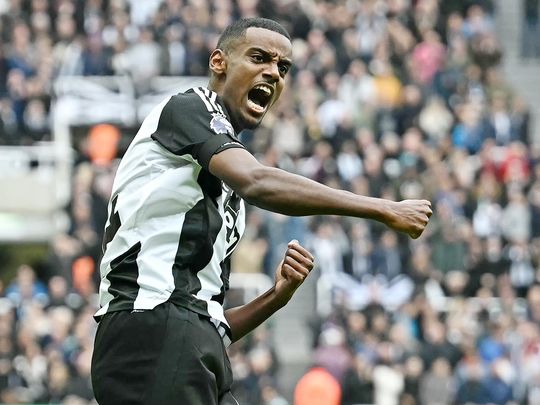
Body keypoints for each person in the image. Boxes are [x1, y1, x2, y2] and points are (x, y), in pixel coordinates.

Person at [90, 17, 432, 405]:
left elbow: (211, 321)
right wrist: (382, 208)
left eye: (282, 67)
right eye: (259, 58)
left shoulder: (214, 174)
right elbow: (257, 182)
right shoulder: (188, 108)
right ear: (219, 62)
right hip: (150, 333)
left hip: (188, 340)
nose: (273, 72)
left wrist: (276, 297)